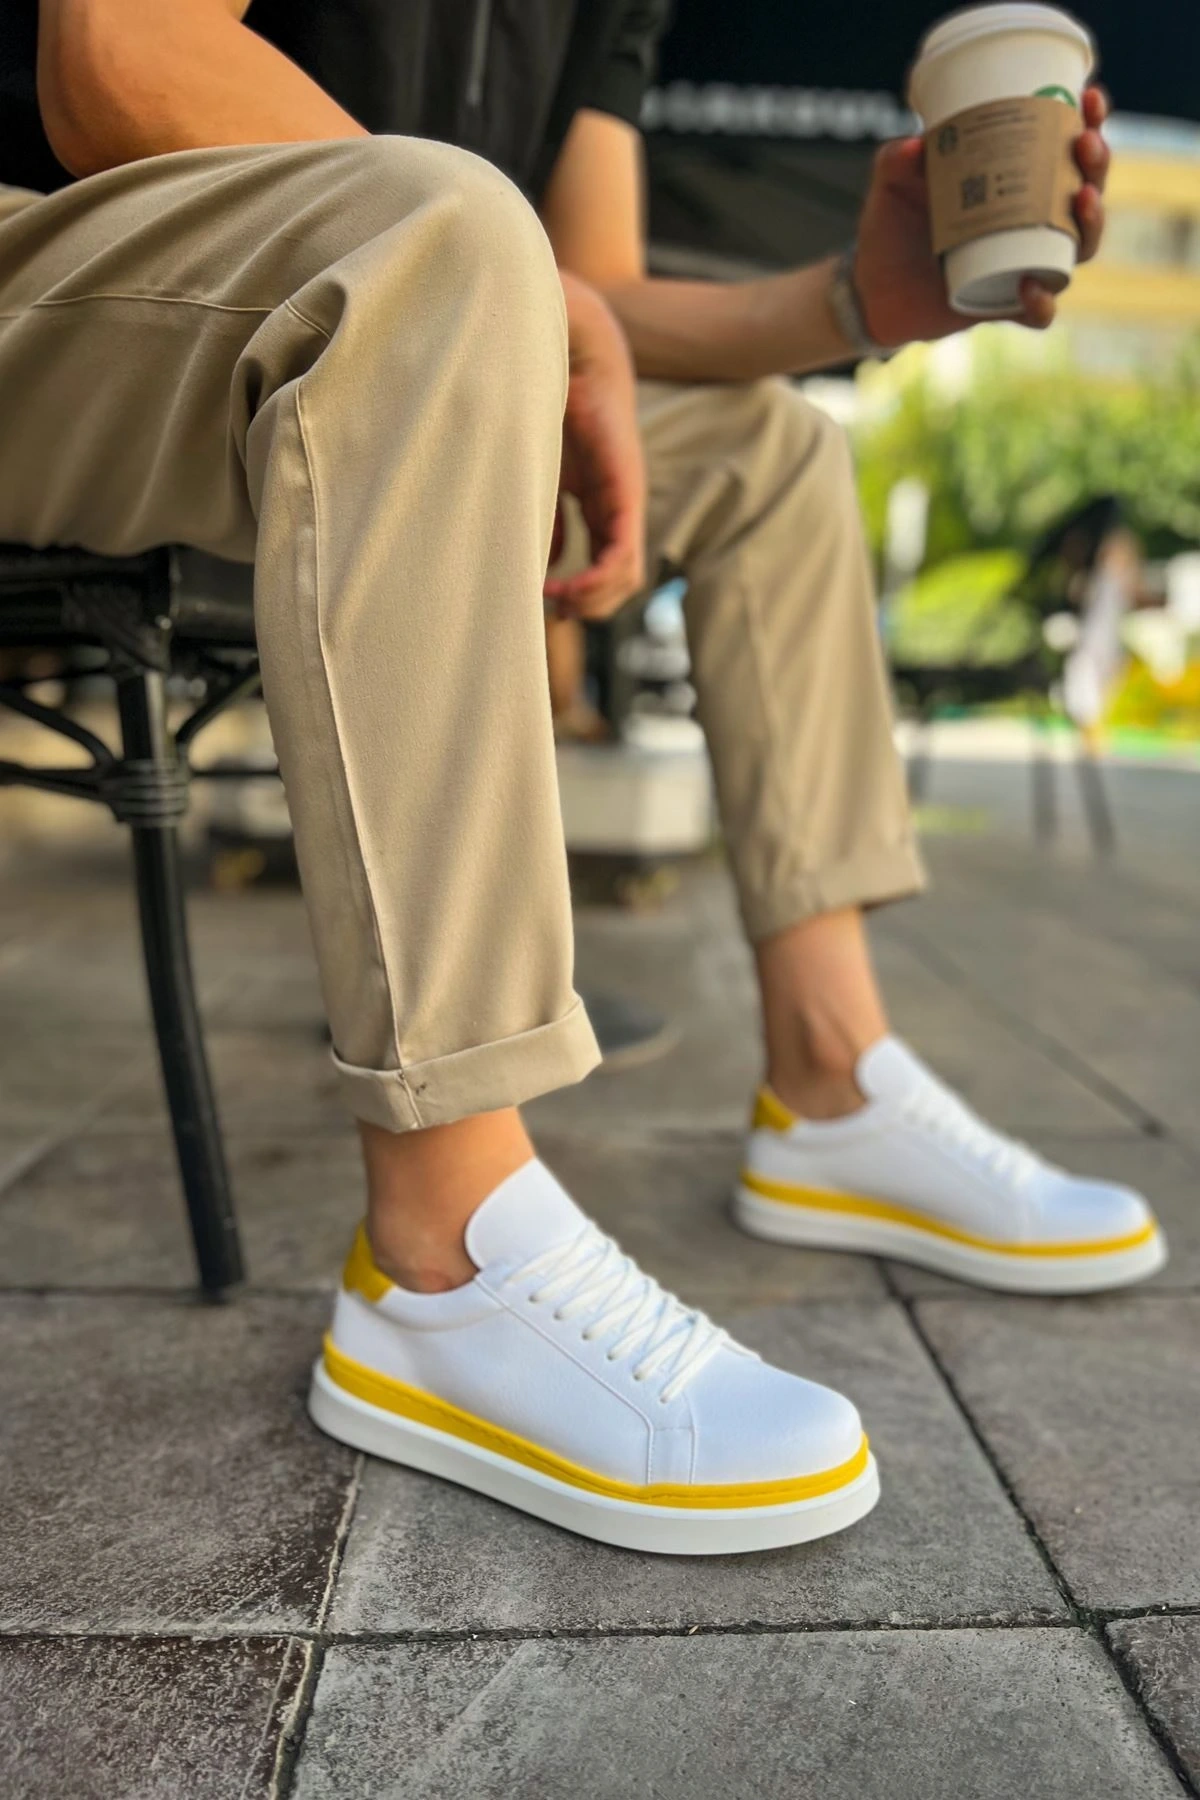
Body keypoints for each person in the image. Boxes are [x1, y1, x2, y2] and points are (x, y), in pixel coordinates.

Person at [0, 0, 1164, 1556]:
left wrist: (852, 301)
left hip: (376, 346)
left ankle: (830, 1084)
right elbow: (114, 62)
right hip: (67, 297)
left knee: (770, 448)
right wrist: (509, 277)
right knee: (450, 240)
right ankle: (445, 1252)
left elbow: (596, 298)